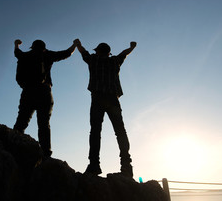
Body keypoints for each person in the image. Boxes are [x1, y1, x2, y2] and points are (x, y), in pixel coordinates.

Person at [74, 39, 137, 176]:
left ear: (98, 52)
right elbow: (124, 53)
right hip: (113, 99)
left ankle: (94, 165)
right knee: (120, 131)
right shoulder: (114, 61)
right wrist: (131, 47)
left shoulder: (93, 60)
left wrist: (78, 44)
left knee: (95, 132)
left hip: (97, 99)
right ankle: (126, 166)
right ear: (109, 53)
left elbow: (83, 52)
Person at [13, 39, 77, 158]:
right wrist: (75, 44)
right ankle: (46, 154)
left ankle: (13, 147)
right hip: (44, 91)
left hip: (28, 91)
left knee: (21, 121)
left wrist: (16, 43)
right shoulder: (47, 54)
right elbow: (67, 53)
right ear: (44, 48)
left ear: (32, 47)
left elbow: (17, 52)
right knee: (43, 124)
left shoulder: (25, 55)